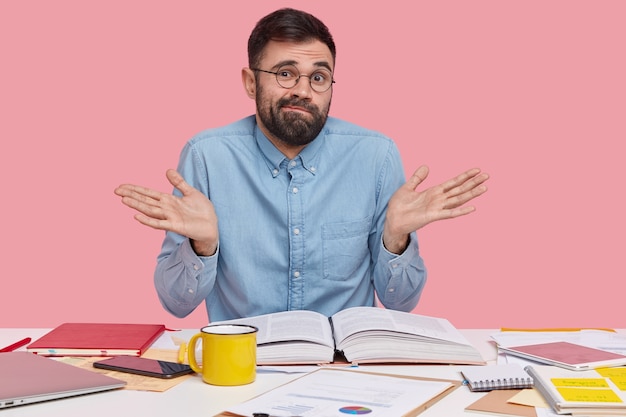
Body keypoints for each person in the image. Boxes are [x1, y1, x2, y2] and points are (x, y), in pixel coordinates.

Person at [114, 8, 489, 322]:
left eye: (319, 77)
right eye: (285, 73)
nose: (303, 90)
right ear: (250, 82)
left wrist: (396, 239)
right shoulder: (207, 157)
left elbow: (401, 304)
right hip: (245, 368)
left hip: (344, 368)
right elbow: (177, 305)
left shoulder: (376, 157)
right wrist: (202, 245)